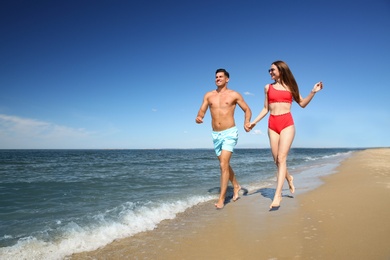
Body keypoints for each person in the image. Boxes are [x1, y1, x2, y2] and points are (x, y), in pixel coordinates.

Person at [249, 61, 323, 209]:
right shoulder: (267, 88)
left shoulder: (291, 87)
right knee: (277, 160)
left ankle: (278, 195)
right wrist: (253, 123)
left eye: (272, 70)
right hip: (272, 124)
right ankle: (288, 177)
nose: (270, 72)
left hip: (287, 123)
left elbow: (302, 103)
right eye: (269, 70)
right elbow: (265, 108)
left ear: (281, 71)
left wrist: (313, 92)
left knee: (282, 158)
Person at [196, 68, 252, 209]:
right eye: (216, 77)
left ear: (227, 79)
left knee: (223, 165)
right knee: (224, 163)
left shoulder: (234, 95)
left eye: (221, 77)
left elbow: (247, 109)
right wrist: (199, 117)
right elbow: (202, 110)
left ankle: (221, 199)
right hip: (216, 134)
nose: (218, 78)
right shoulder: (209, 95)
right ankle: (236, 186)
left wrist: (246, 122)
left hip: (229, 133)